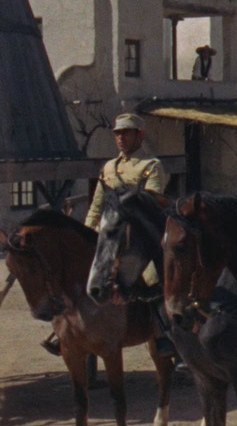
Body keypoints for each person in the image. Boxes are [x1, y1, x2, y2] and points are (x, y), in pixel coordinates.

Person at [65, 113, 174, 360]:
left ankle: (163, 335)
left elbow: (151, 204)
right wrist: (87, 235)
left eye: (126, 132)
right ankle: (67, 330)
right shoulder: (108, 168)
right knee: (81, 275)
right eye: (117, 133)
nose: (120, 137)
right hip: (109, 236)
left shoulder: (150, 166)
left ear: (139, 135)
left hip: (140, 239)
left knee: (154, 277)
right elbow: (96, 205)